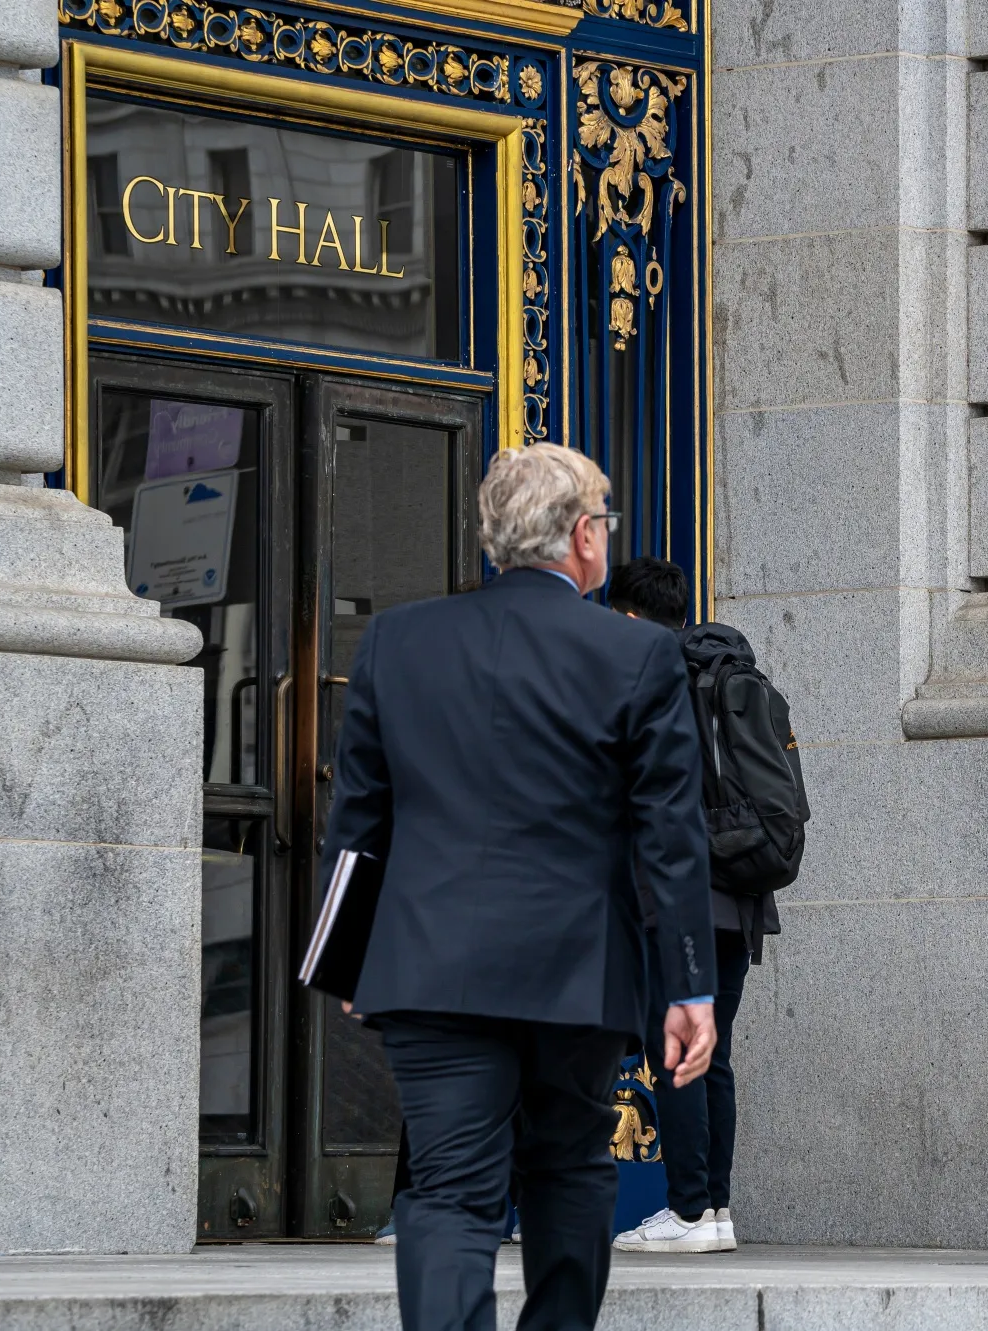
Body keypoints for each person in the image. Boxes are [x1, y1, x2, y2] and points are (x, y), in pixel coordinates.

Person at [323, 444, 718, 1331]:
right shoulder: (639, 656)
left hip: (428, 967)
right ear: (582, 537)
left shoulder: (397, 640)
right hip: (575, 973)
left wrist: (348, 955)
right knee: (570, 1166)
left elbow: (359, 820)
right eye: (604, 523)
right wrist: (688, 982)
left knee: (449, 1189)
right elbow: (670, 838)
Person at [608, 557, 787, 1254]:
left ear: (626, 616)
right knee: (715, 1055)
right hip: (740, 898)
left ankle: (685, 1209)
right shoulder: (727, 673)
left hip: (683, 898)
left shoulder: (656, 681)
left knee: (677, 1048)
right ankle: (715, 1208)